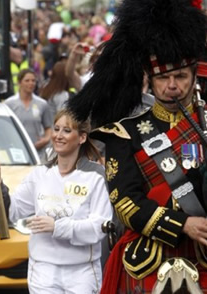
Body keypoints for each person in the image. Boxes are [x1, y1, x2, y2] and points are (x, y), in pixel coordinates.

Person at [67, 0, 207, 293]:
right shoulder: (125, 133)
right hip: (149, 263)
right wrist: (183, 224)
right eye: (163, 78)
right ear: (150, 80)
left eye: (180, 76)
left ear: (194, 76)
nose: (172, 85)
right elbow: (126, 203)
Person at [0, 109, 113, 294]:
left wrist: (57, 226)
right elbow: (12, 211)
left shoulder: (95, 176)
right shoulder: (40, 174)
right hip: (43, 269)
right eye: (56, 129)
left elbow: (99, 227)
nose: (58, 136)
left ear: (82, 138)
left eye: (67, 131)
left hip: (81, 272)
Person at [5, 69, 52, 163]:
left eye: (33, 80)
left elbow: (48, 128)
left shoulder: (42, 104)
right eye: (27, 80)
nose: (31, 83)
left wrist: (45, 140)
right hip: (16, 150)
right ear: (19, 83)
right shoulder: (9, 103)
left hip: (38, 152)